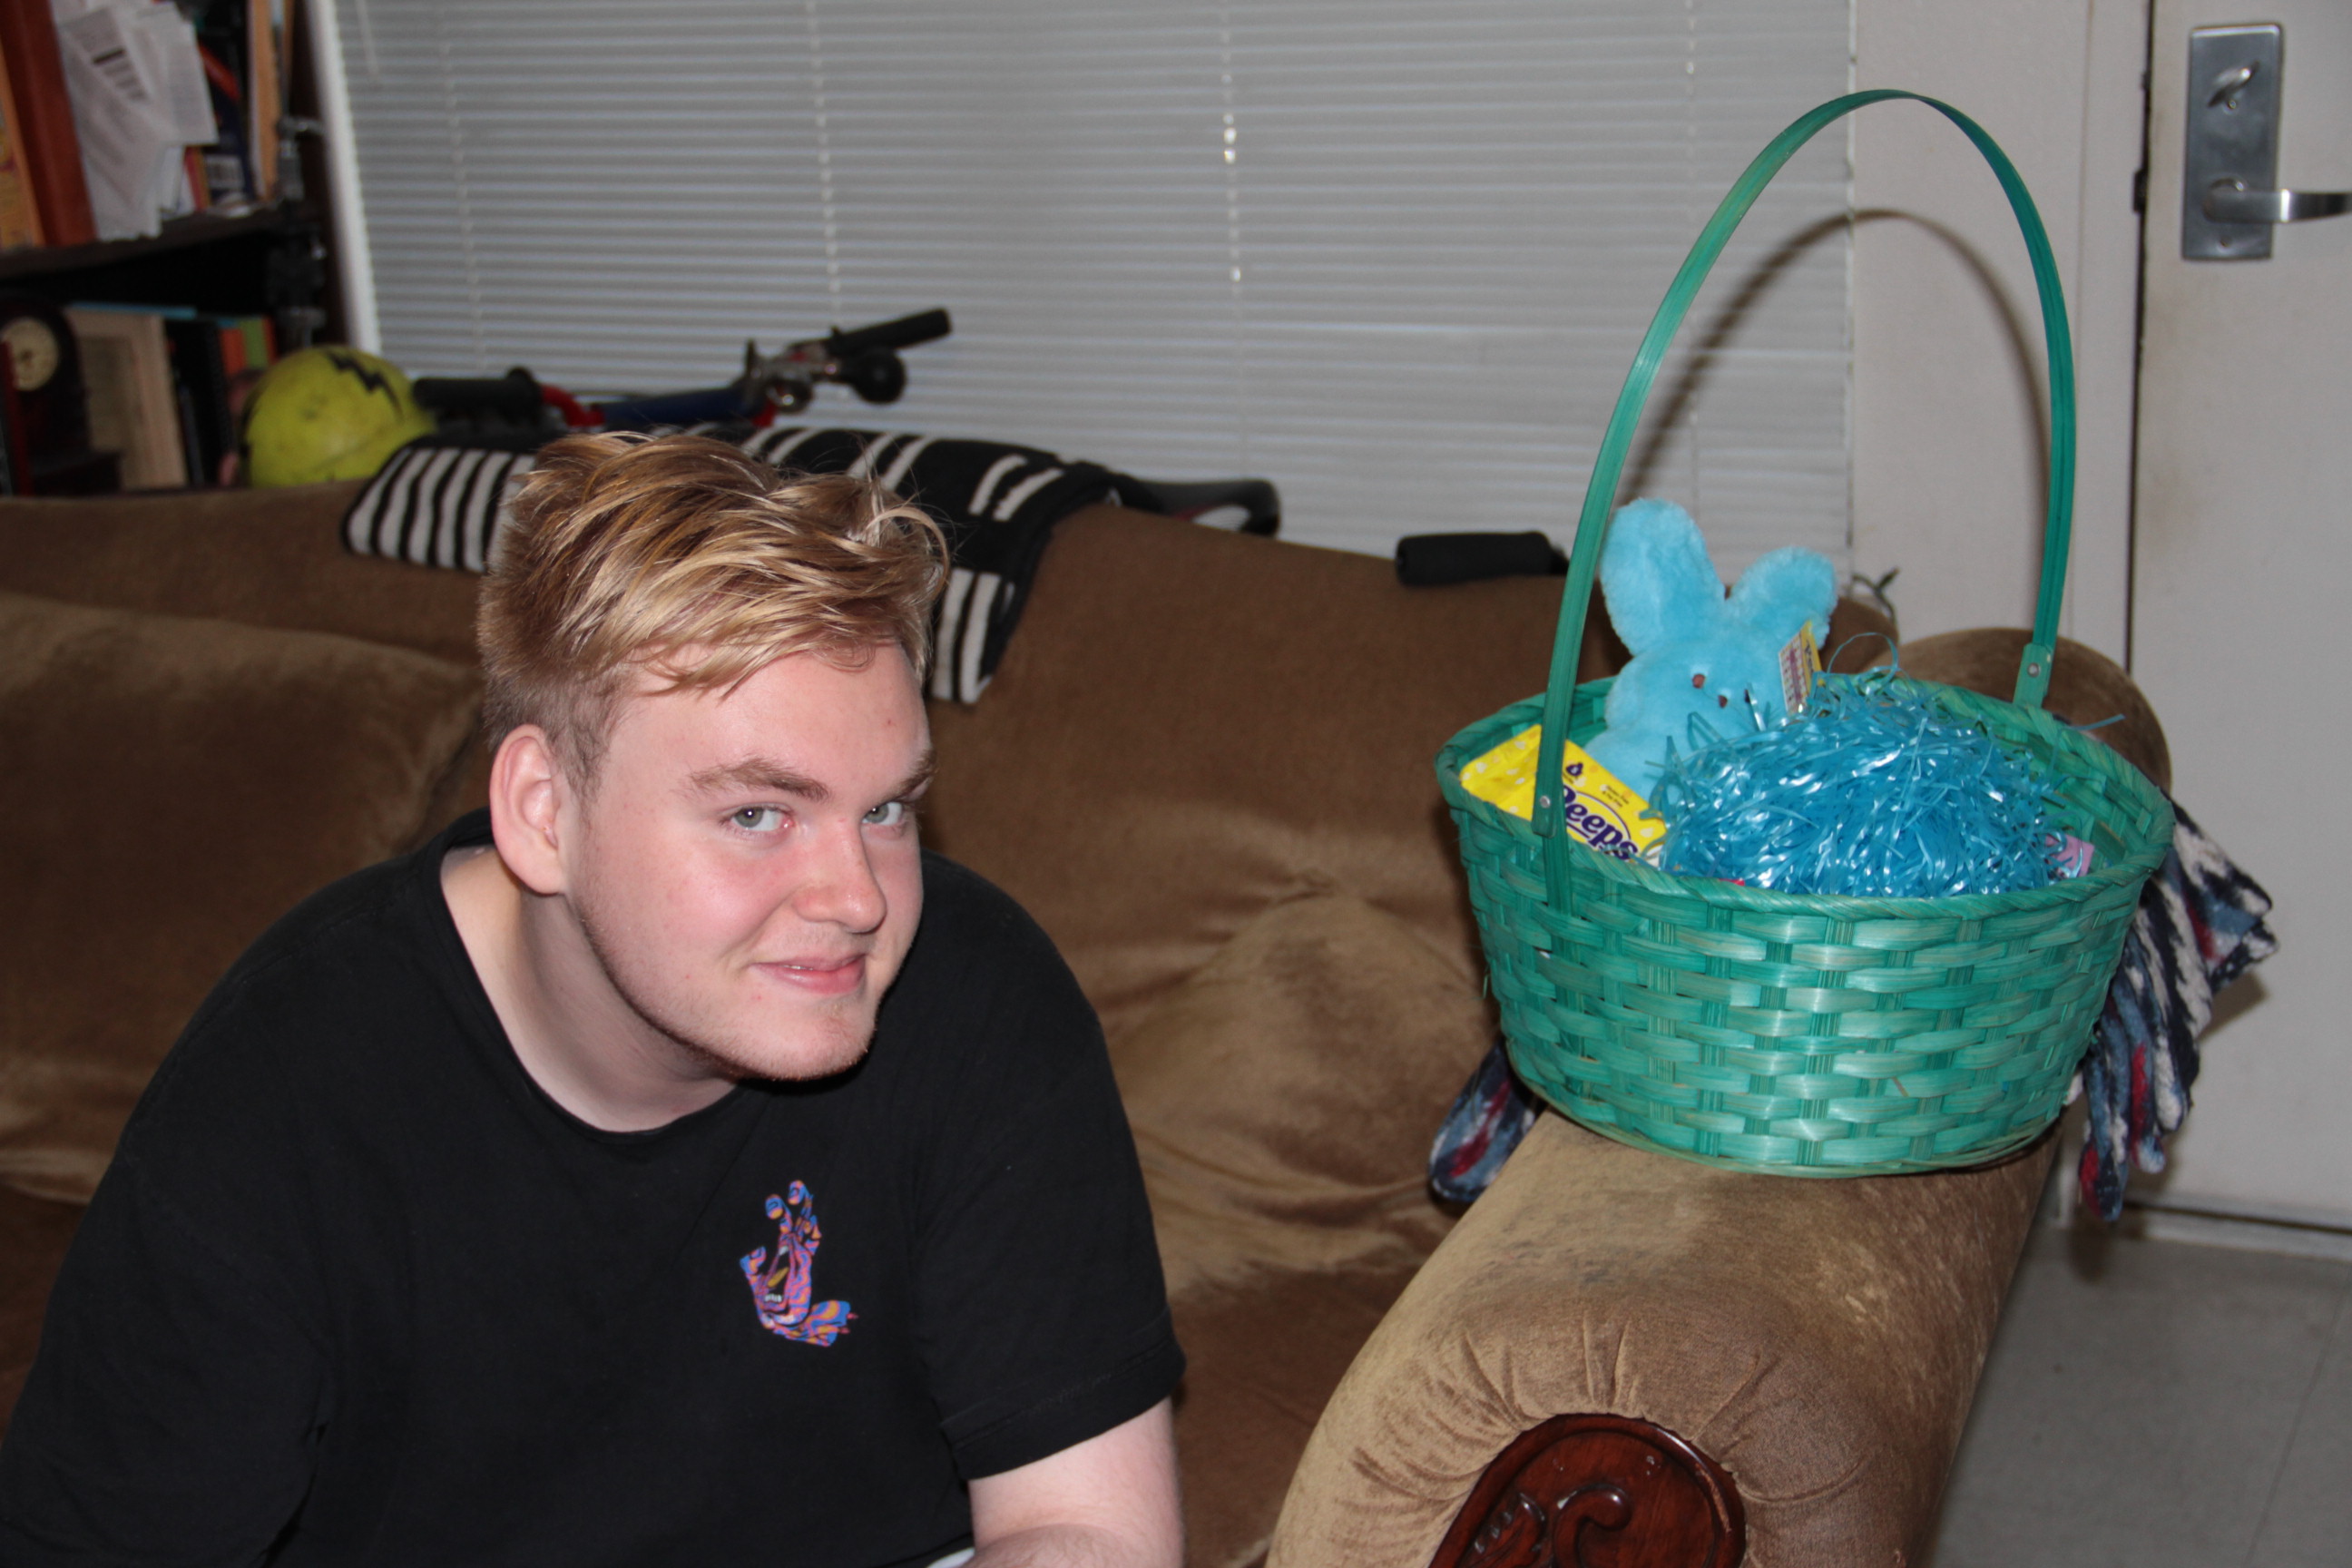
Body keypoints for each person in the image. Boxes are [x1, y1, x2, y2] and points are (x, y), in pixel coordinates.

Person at [0, 434, 1185, 1567]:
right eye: (757, 813)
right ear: (543, 813)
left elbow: (1091, 1532)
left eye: (885, 809)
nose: (860, 898)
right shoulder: (286, 1090)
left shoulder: (979, 995)